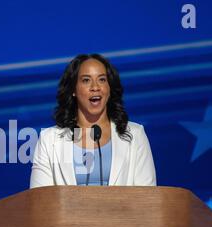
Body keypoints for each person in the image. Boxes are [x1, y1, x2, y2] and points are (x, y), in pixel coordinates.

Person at [30, 53, 156, 188]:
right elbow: (40, 201)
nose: (95, 87)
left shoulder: (135, 135)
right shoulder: (49, 140)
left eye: (102, 80)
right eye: (86, 80)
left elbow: (147, 198)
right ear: (73, 90)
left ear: (109, 88)